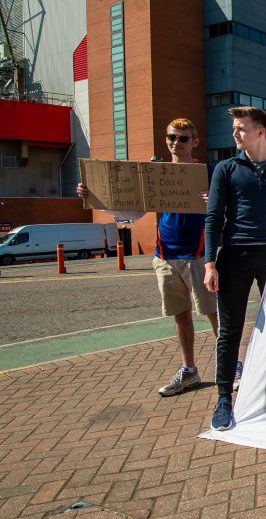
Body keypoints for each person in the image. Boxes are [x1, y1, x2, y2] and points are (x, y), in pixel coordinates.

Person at [77, 118, 218, 396]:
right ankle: (189, 370)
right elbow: (134, 212)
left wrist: (213, 201)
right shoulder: (156, 175)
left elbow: (227, 211)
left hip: (200, 256)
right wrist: (95, 197)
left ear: (195, 142)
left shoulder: (208, 174)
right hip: (165, 257)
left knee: (215, 314)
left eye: (183, 138)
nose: (176, 143)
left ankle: (232, 365)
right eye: (171, 137)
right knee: (181, 316)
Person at [204, 106, 266, 431]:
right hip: (234, 256)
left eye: (241, 128)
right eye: (234, 127)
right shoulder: (226, 169)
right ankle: (223, 399)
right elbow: (213, 216)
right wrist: (210, 263)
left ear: (261, 131)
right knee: (229, 332)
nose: (235, 133)